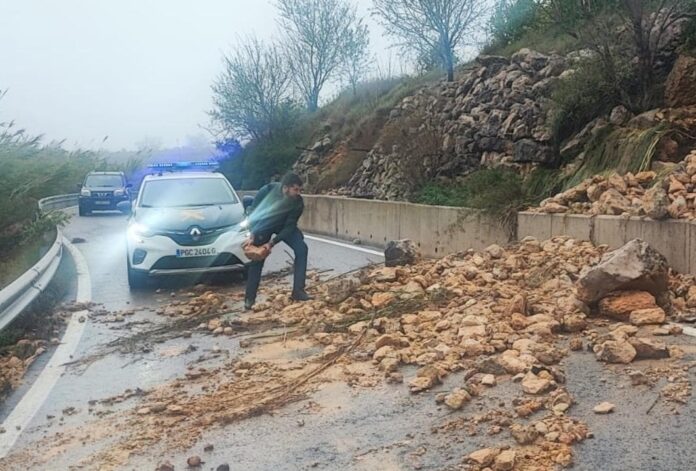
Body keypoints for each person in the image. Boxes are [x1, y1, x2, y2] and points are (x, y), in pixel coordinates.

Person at [244, 172, 311, 310]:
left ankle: (298, 291)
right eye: (295, 190)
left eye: (299, 190)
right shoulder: (267, 191)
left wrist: (272, 243)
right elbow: (253, 212)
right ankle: (249, 299)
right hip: (264, 225)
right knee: (257, 259)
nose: (298, 193)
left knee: (301, 249)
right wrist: (252, 233)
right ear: (286, 188)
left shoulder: (297, 202)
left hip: (284, 224)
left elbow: (290, 226)